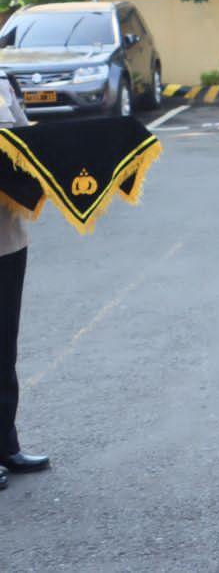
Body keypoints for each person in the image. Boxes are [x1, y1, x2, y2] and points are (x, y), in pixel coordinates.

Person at [0, 74, 48, 494]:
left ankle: (6, 444)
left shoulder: (1, 83)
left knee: (4, 349)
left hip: (8, 239)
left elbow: (26, 142)